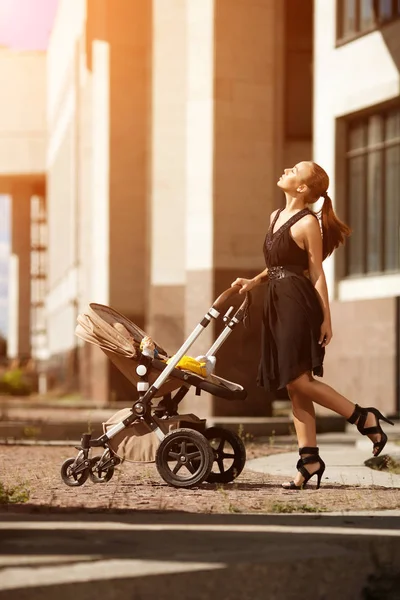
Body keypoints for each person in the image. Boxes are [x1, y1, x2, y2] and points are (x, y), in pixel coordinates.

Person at [231, 161, 394, 490]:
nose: (286, 170)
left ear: (302, 188)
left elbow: (316, 274)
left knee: (298, 381)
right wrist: (254, 281)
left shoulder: (308, 223)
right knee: (295, 386)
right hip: (275, 302)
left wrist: (326, 319)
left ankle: (363, 417)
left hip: (296, 304)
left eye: (294, 170)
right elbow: (279, 265)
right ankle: (309, 461)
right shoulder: (275, 217)